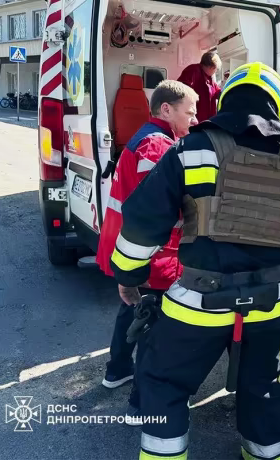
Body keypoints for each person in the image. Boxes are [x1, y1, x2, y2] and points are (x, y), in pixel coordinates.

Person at [110, 62, 280, 460]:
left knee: (164, 384)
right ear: (277, 105)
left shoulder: (190, 149)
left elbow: (142, 222)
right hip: (268, 304)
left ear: (226, 101)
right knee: (263, 387)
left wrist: (129, 275)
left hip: (198, 304)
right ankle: (264, 455)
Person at [96, 80, 199, 423]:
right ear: (166, 109)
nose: (195, 120)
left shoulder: (148, 138)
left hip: (133, 248)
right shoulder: (158, 145)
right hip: (154, 252)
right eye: (190, 113)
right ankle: (141, 405)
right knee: (155, 330)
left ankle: (117, 370)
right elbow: (157, 208)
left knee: (132, 310)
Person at [177, 50, 222, 122]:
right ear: (212, 67)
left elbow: (217, 92)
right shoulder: (193, 70)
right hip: (194, 119)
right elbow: (182, 91)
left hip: (206, 120)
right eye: (216, 69)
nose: (215, 72)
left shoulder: (210, 78)